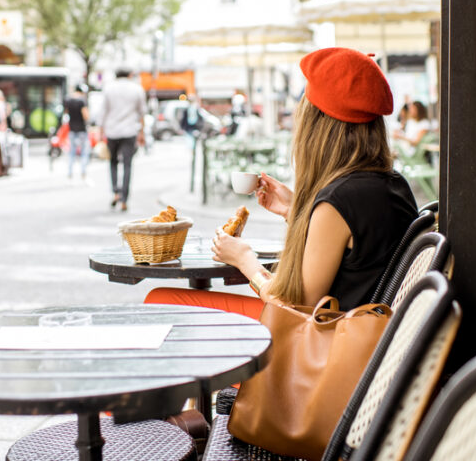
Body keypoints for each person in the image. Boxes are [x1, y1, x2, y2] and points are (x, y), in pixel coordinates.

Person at [145, 47, 418, 317]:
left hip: (325, 341)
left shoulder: (338, 203)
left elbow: (294, 308)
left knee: (161, 300)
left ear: (318, 127)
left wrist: (244, 260)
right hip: (363, 333)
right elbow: (358, 258)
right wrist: (295, 210)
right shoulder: (394, 185)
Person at [99, 68, 147, 212]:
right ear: (130, 75)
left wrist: (101, 131)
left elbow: (103, 112)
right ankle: (124, 200)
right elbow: (142, 112)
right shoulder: (137, 89)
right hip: (129, 131)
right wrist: (142, 132)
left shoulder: (108, 88)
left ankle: (115, 192)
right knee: (127, 165)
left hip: (112, 131)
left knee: (112, 162)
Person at [64, 84, 91, 180]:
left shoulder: (68, 100)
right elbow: (86, 116)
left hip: (72, 129)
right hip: (82, 130)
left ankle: (70, 172)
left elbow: (66, 113)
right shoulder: (82, 101)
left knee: (72, 152)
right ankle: (83, 171)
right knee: (84, 151)